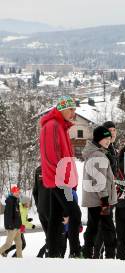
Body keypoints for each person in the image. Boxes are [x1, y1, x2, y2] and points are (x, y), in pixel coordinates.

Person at [39, 95, 81, 258]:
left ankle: (52, 252)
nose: (73, 113)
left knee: (56, 217)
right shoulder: (53, 126)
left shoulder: (60, 127)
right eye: (71, 109)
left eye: (74, 110)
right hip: (60, 181)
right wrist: (64, 181)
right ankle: (75, 252)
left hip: (61, 180)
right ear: (62, 109)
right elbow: (52, 157)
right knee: (75, 213)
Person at [81, 126, 117, 259]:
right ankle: (110, 256)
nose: (108, 141)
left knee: (93, 227)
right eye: (105, 138)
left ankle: (87, 253)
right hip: (100, 200)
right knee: (108, 228)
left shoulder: (93, 153)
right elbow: (100, 181)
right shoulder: (98, 155)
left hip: (93, 199)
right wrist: (105, 201)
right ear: (98, 139)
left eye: (109, 138)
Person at [33, 166, 52, 258]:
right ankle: (47, 255)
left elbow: (35, 192)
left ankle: (46, 255)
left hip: (42, 209)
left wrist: (39, 206)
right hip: (52, 209)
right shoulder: (55, 167)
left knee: (49, 236)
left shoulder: (38, 170)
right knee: (56, 237)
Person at [0, 185, 23, 258]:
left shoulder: (16, 200)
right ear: (12, 192)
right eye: (16, 192)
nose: (18, 193)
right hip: (12, 228)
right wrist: (10, 226)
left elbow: (18, 215)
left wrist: (20, 225)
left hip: (17, 227)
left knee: (19, 244)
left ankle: (20, 258)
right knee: (8, 244)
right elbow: (7, 215)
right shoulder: (10, 201)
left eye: (18, 192)